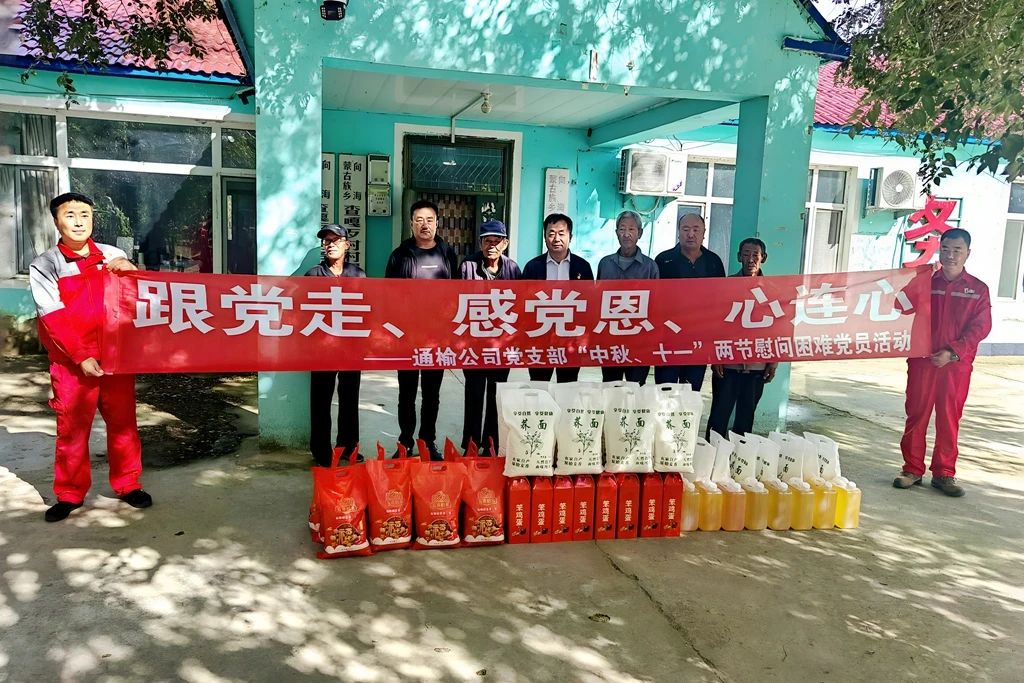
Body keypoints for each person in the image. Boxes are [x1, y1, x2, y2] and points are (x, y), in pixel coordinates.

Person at [28, 192, 151, 522]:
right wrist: (81, 355)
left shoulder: (112, 255)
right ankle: (70, 494)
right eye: (70, 215)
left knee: (124, 424)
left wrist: (132, 271)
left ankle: (128, 484)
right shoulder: (45, 265)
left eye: (85, 214)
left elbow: (136, 299)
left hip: (115, 358)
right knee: (72, 430)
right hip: (72, 364)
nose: (79, 221)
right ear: (57, 222)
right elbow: (52, 316)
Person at [894, 228, 992, 497]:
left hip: (955, 366)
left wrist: (952, 352)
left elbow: (981, 327)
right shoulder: (926, 282)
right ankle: (912, 470)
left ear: (968, 253)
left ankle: (944, 473)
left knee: (949, 418)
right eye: (945, 249)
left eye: (957, 250)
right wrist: (909, 280)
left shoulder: (978, 290)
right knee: (917, 414)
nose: (950, 255)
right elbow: (898, 305)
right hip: (923, 362)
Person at [385, 199, 458, 459]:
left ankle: (428, 442)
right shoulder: (399, 255)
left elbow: (457, 295)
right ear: (411, 224)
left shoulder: (447, 254)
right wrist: (394, 332)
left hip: (437, 338)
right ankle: (405, 443)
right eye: (419, 220)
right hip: (407, 337)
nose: (424, 225)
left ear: (437, 223)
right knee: (406, 393)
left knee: (431, 394)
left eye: (429, 220)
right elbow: (388, 295)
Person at [706, 237, 778, 439]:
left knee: (746, 419)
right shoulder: (726, 286)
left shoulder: (772, 290)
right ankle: (712, 453)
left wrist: (773, 362)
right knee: (719, 416)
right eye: (746, 254)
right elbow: (715, 323)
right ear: (739, 257)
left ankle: (740, 456)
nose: (750, 259)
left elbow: (777, 328)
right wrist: (715, 357)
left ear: (764, 258)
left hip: (757, 366)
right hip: (727, 364)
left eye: (755, 255)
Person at [306, 224, 366, 466]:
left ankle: (348, 448)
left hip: (351, 348)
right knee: (320, 401)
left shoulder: (358, 275)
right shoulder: (313, 275)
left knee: (350, 399)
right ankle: (321, 451)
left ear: (347, 245)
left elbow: (367, 309)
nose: (330, 244)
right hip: (322, 350)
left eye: (335, 240)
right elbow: (301, 310)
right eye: (326, 241)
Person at [459, 219, 522, 451]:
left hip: (501, 345)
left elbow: (520, 305)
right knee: (474, 393)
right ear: (480, 243)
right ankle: (471, 444)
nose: (492, 246)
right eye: (487, 241)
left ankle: (491, 443)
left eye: (497, 241)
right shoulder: (468, 266)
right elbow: (458, 302)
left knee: (497, 394)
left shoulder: (513, 269)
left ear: (505, 244)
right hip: (474, 344)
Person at [654, 213, 726, 390]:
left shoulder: (714, 262)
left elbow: (721, 303)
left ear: (704, 233)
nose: (691, 234)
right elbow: (654, 300)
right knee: (665, 392)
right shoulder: (663, 260)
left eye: (696, 229)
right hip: (668, 339)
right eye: (686, 229)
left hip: (698, 341)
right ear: (678, 232)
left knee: (691, 393)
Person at [522, 213, 594, 383]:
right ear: (545, 237)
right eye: (551, 233)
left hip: (571, 338)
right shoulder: (533, 267)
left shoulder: (582, 267)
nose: (556, 239)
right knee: (539, 384)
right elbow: (523, 303)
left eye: (561, 233)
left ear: (570, 237)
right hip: (540, 337)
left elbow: (591, 303)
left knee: (568, 385)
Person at [596, 210, 659, 385]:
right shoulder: (605, 264)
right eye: (622, 229)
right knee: (611, 387)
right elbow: (597, 301)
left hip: (640, 341)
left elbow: (656, 305)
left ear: (640, 233)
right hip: (611, 340)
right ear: (616, 232)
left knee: (636, 388)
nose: (626, 234)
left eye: (631, 229)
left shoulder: (650, 267)